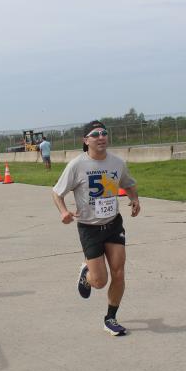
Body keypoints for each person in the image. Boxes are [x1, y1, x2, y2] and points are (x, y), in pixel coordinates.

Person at [52, 120, 140, 336]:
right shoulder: (77, 165)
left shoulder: (117, 163)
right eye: (95, 134)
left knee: (119, 272)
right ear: (86, 140)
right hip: (89, 228)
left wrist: (134, 199)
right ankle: (87, 272)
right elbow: (57, 192)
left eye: (104, 133)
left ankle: (110, 318)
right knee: (100, 281)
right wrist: (63, 212)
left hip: (113, 224)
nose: (101, 137)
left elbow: (128, 183)